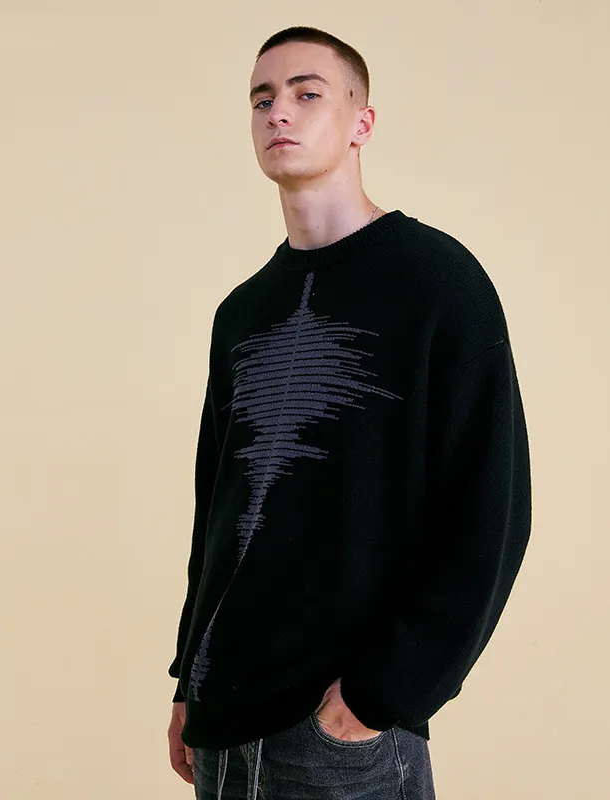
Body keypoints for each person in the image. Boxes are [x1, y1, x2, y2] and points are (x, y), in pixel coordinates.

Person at [166, 25, 532, 800]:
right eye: (262, 98)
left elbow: (491, 508)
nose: (278, 112)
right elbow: (217, 508)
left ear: (362, 123)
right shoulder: (242, 312)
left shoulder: (437, 284)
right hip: (220, 720)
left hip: (340, 727)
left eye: (307, 93)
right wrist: (186, 675)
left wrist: (382, 694)